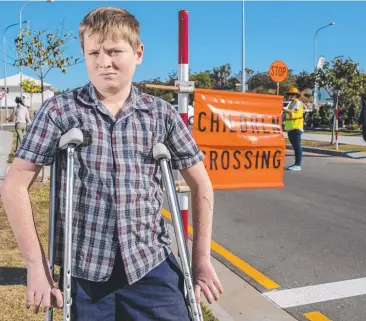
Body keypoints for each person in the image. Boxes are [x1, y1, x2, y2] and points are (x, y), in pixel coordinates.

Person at [1, 6, 222, 320]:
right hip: (84, 272)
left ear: (138, 52)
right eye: (93, 53)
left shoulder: (160, 114)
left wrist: (201, 259)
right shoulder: (59, 111)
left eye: (114, 51)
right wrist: (36, 266)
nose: (103, 62)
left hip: (150, 265)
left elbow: (201, 183)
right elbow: (15, 183)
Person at [283, 87, 304, 171]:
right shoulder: (292, 103)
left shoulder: (297, 102)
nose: (290, 96)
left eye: (292, 94)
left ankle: (298, 165)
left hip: (296, 127)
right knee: (295, 147)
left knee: (297, 147)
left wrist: (282, 108)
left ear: (296, 95)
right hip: (291, 128)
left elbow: (291, 112)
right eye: (289, 94)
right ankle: (296, 164)